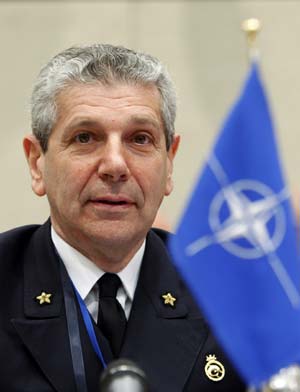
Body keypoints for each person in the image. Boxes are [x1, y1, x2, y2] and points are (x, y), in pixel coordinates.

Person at [0, 44, 245, 391]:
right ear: (37, 162)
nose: (115, 165)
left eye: (140, 139)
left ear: (169, 162)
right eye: (85, 137)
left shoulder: (234, 295)